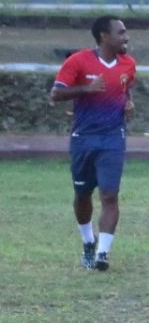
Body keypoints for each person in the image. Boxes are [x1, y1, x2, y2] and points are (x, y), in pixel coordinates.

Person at [50, 15, 136, 271]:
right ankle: (88, 241)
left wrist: (129, 102)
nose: (126, 37)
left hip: (113, 138)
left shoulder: (128, 64)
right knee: (82, 194)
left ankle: (102, 254)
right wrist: (86, 89)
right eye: (121, 32)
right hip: (83, 139)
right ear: (104, 36)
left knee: (109, 194)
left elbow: (125, 87)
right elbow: (56, 94)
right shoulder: (78, 61)